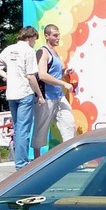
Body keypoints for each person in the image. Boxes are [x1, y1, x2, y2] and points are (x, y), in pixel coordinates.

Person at [0, 26, 45, 170]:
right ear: (31, 37)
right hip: (25, 92)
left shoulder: (9, 49)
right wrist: (39, 95)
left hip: (11, 93)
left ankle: (19, 161)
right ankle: (21, 163)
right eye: (34, 39)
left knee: (17, 128)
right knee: (23, 130)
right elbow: (31, 76)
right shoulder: (29, 51)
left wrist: (6, 75)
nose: (34, 42)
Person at [32, 24, 77, 157]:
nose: (58, 38)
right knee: (41, 128)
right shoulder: (42, 52)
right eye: (55, 35)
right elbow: (43, 75)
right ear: (47, 36)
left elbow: (54, 73)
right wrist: (64, 83)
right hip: (46, 97)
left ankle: (71, 157)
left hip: (59, 96)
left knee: (69, 124)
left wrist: (64, 72)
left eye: (58, 34)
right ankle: (36, 159)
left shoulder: (55, 53)